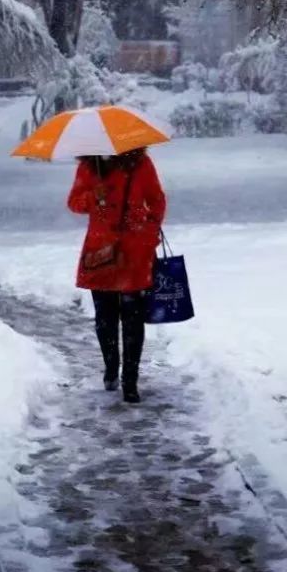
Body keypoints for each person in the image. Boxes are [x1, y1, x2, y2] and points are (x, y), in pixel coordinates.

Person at [67, 148, 166, 404]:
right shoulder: (89, 168)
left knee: (133, 318)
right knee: (105, 317)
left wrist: (149, 228)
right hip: (101, 252)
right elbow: (74, 203)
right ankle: (111, 366)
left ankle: (130, 380)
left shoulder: (140, 164)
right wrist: (92, 197)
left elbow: (157, 199)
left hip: (134, 251)